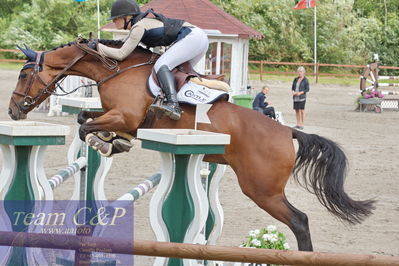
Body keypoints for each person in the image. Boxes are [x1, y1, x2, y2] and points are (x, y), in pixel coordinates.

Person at [89, 0, 209, 120]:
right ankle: (184, 104)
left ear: (128, 17)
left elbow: (121, 54)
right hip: (199, 38)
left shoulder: (138, 27)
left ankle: (173, 105)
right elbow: (121, 44)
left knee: (161, 65)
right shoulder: (140, 24)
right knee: (178, 73)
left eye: (116, 18)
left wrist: (98, 47)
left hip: (192, 38)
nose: (114, 21)